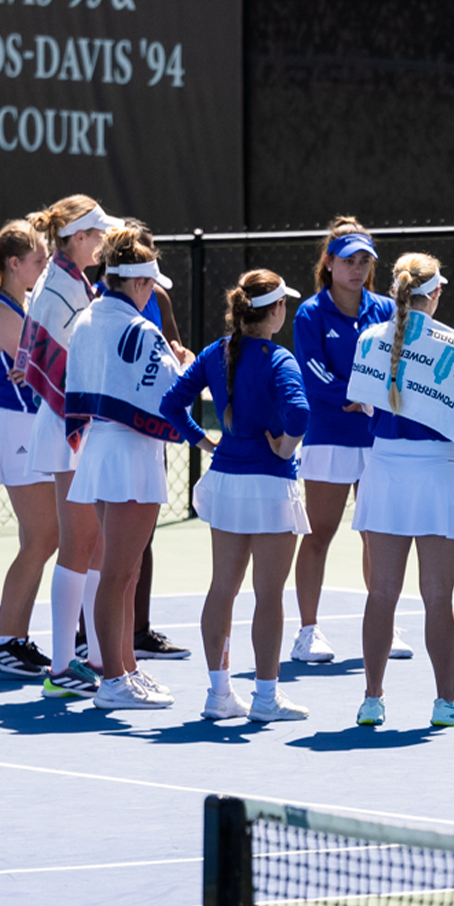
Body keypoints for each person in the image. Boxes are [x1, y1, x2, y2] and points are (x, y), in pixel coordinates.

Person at [160, 270, 312, 722]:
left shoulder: (215, 352)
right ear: (277, 311)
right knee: (269, 595)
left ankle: (219, 694)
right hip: (269, 487)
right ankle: (265, 699)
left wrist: (205, 443)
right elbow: (299, 413)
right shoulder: (279, 359)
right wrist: (284, 446)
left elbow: (171, 404)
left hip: (226, 482)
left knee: (222, 589)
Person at [344, 253, 454, 728]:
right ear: (437, 292)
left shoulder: (369, 340)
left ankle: (372, 699)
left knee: (380, 593)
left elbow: (363, 407)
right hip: (435, 476)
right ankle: (445, 700)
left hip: (384, 471)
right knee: (437, 597)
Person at [64, 226, 187, 710]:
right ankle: (112, 680)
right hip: (129, 454)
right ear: (139, 284)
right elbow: (168, 393)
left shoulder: (90, 317)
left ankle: (126, 669)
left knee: (125, 570)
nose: (152, 294)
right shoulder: (139, 328)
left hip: (103, 450)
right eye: (151, 286)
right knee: (117, 572)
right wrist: (183, 362)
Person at [289, 218, 411, 664]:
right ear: (329, 263)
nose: (357, 269)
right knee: (320, 532)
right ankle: (307, 631)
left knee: (377, 534)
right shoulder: (310, 313)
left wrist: (374, 399)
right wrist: (358, 396)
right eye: (348, 261)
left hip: (377, 437)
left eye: (365, 261)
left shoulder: (384, 309)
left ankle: (385, 624)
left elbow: (396, 362)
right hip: (329, 437)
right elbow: (314, 374)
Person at [18, 195, 117, 698]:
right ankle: (61, 669)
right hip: (66, 427)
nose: (103, 242)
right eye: (97, 234)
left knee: (95, 542)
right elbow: (64, 368)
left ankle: (97, 655)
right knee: (78, 544)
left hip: (79, 426)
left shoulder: (74, 282)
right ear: (77, 238)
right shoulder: (59, 288)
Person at [0, 219, 59, 679]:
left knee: (38, 539)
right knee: (45, 537)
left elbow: (44, 360)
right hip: (17, 430)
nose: (45, 267)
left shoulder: (23, 306)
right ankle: (2, 640)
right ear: (15, 264)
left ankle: (14, 639)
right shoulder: (1, 313)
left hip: (32, 428)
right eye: (39, 261)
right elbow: (47, 362)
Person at [104, 217, 192, 663]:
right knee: (106, 552)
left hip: (149, 436)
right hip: (114, 436)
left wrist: (181, 358)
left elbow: (177, 350)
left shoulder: (157, 297)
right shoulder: (101, 304)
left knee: (140, 543)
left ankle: (136, 635)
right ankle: (100, 652)